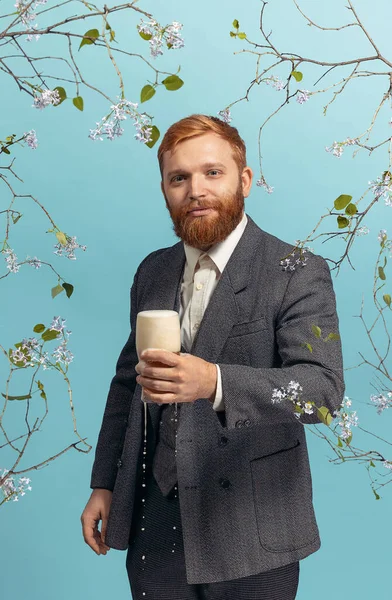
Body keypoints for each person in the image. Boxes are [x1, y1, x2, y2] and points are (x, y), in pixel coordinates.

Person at [81, 114, 345, 599]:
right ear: (164, 189)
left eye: (212, 173)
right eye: (179, 178)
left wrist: (215, 382)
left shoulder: (295, 271)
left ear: (244, 180)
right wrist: (104, 485)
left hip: (252, 525)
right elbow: (127, 386)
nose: (195, 190)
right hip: (155, 519)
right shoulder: (153, 271)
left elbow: (321, 391)